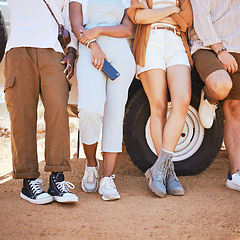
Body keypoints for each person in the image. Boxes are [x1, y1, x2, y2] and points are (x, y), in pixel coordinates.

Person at [4, 0, 78, 204]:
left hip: (53, 51)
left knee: (58, 113)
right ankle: (29, 181)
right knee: (22, 115)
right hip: (19, 48)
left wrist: (72, 51)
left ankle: (57, 179)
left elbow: (69, 21)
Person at [189, 0, 240, 195]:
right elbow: (199, 12)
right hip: (207, 43)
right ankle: (211, 98)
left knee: (235, 110)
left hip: (237, 48)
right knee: (220, 86)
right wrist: (220, 50)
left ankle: (235, 174)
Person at [69, 0, 135, 201]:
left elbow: (127, 29)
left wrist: (97, 29)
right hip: (90, 51)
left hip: (121, 55)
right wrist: (93, 44)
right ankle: (91, 164)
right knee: (90, 108)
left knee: (114, 115)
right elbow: (76, 26)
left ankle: (108, 178)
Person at [127, 0, 193, 197]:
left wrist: (154, 14)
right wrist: (173, 11)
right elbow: (137, 16)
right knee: (158, 106)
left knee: (182, 100)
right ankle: (167, 172)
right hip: (151, 41)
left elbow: (187, 20)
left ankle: (160, 169)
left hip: (176, 42)